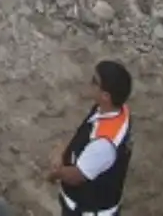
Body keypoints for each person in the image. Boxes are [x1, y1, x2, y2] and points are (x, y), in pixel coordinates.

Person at [47, 60, 132, 216]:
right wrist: (63, 152)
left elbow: (77, 176)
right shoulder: (115, 111)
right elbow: (83, 136)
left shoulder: (103, 144)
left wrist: (56, 173)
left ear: (106, 96)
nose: (89, 83)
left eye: (95, 81)